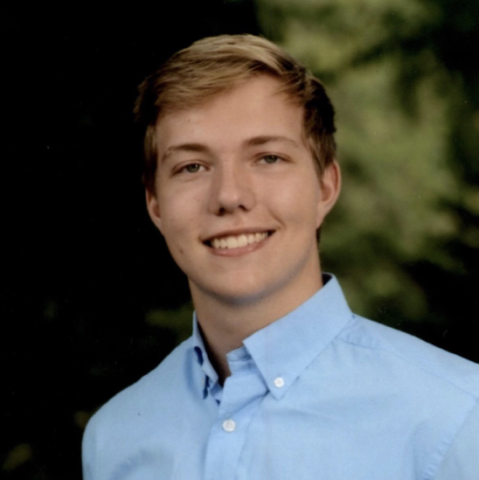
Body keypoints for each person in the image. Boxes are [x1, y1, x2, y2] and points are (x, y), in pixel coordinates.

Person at [82, 34, 479, 480]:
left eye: (267, 157)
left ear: (325, 187)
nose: (229, 196)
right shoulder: (114, 439)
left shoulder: (457, 416)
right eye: (192, 166)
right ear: (156, 204)